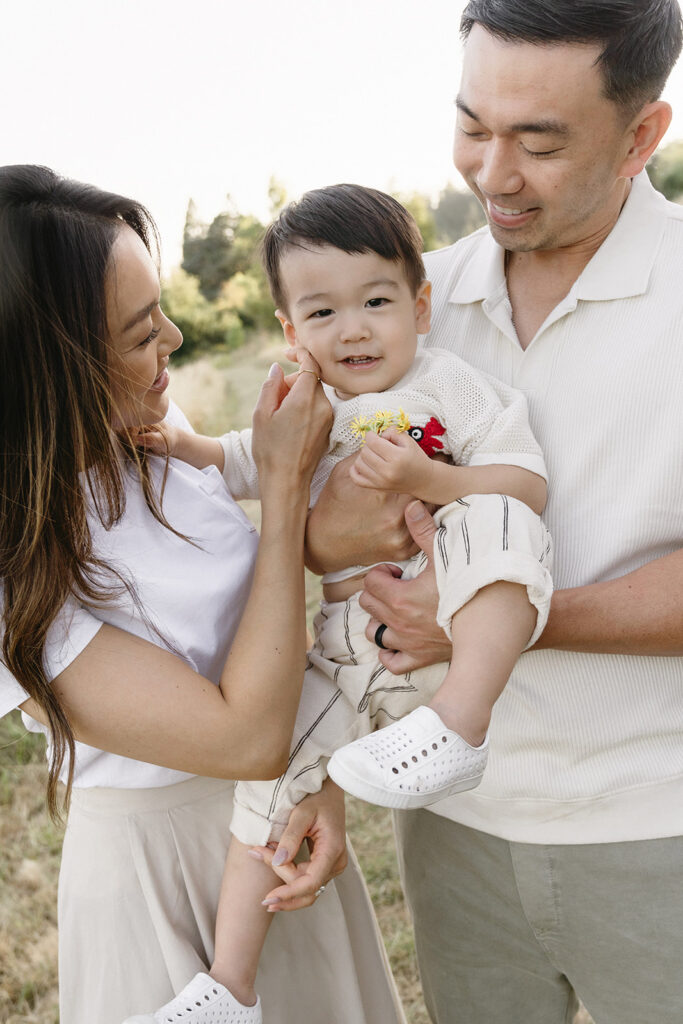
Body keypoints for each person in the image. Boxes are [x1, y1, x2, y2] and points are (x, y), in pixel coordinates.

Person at [305, 3, 683, 1023]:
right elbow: (325, 524)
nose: (491, 173)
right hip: (451, 829)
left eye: (539, 142)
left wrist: (492, 612)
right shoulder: (411, 306)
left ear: (640, 134)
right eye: (472, 124)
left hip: (654, 828)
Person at [127, 182, 552, 1022]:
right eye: (320, 314)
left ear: (420, 306)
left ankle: (461, 726)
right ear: (290, 332)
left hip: (443, 646)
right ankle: (231, 985)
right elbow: (243, 459)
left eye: (376, 301)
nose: (352, 328)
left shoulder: (449, 388)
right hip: (344, 653)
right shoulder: (307, 409)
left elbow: (525, 483)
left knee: (503, 523)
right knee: (273, 779)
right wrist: (185, 443)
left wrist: (431, 479)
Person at [0, 165, 408, 1024]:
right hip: (162, 878)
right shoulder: (16, 567)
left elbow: (264, 659)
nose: (176, 342)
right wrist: (286, 484)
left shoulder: (151, 438)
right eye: (140, 333)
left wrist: (317, 785)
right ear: (48, 365)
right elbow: (241, 732)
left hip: (276, 839)